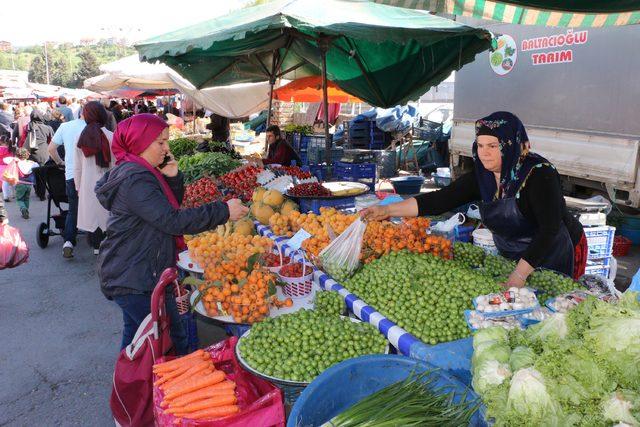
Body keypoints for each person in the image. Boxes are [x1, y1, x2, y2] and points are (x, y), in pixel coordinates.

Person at [362, 111, 587, 283]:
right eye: (479, 145)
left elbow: (549, 229)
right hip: (515, 256)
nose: (484, 152)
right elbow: (439, 200)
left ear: (511, 146)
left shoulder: (538, 173)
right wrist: (386, 210)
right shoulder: (483, 176)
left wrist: (519, 276)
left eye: (492, 146)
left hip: (554, 251)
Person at [95, 113, 249, 353]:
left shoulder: (139, 171)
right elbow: (172, 221)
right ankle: (159, 385)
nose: (166, 149)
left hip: (137, 271)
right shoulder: (135, 179)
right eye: (160, 143)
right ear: (139, 142)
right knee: (171, 340)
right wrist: (223, 211)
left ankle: (131, 386)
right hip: (135, 277)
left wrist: (173, 177)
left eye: (166, 141)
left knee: (136, 341)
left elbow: (167, 209)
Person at [74, 101, 114, 255]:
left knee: (92, 219)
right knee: (107, 217)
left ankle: (97, 247)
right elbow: (116, 165)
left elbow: (77, 166)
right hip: (109, 184)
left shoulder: (80, 137)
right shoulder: (111, 136)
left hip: (87, 184)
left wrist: (78, 187)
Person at [48, 112, 86, 258]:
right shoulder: (95, 127)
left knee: (73, 210)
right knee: (96, 208)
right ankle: (97, 244)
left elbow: (51, 149)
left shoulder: (65, 126)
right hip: (92, 175)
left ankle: (69, 242)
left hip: (71, 174)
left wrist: (60, 162)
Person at [3, 148, 38, 219]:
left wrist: (15, 158)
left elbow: (5, 160)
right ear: (27, 155)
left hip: (19, 183)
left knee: (20, 199)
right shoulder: (32, 163)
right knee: (26, 198)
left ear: (17, 155)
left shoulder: (16, 162)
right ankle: (26, 210)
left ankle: (23, 208)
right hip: (29, 184)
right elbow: (37, 165)